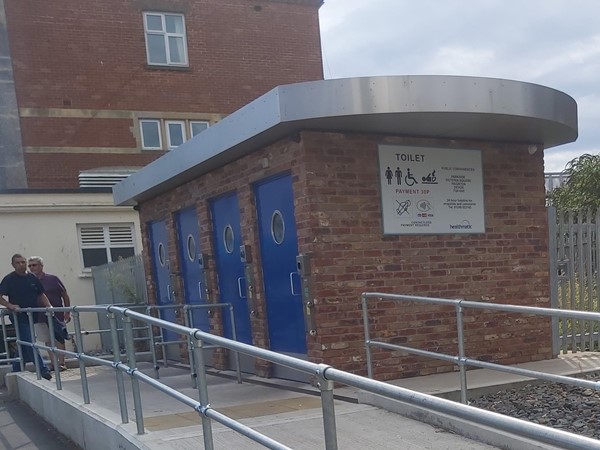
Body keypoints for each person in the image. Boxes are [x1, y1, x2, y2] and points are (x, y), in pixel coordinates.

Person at [0, 254, 52, 380]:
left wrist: (49, 307)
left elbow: (41, 294)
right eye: (18, 263)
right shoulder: (9, 279)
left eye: (23, 262)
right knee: (29, 341)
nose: (21, 264)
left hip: (32, 315)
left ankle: (16, 368)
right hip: (19, 315)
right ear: (13, 265)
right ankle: (43, 370)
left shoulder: (32, 278)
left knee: (23, 342)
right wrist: (10, 305)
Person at [28, 256, 71, 372]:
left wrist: (67, 311)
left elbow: (64, 295)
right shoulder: (28, 281)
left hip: (56, 314)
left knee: (60, 339)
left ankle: (62, 363)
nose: (32, 268)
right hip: (40, 316)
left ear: (41, 266)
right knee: (48, 340)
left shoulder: (53, 279)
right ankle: (53, 364)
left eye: (34, 265)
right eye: (30, 266)